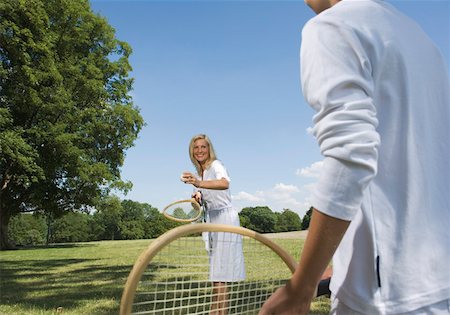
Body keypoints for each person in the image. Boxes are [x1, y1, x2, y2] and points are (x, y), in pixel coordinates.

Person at [260, 0, 450, 314]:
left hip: (386, 297)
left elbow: (352, 157)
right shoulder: (419, 38)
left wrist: (301, 287)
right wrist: (347, 260)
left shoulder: (331, 26)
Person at [181, 134, 245, 315]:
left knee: (220, 275)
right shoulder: (199, 174)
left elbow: (224, 183)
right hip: (212, 221)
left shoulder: (216, 166)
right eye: (196, 147)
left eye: (203, 147)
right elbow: (199, 206)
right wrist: (197, 198)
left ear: (209, 150)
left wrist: (199, 183)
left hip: (225, 219)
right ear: (191, 152)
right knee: (216, 276)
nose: (200, 150)